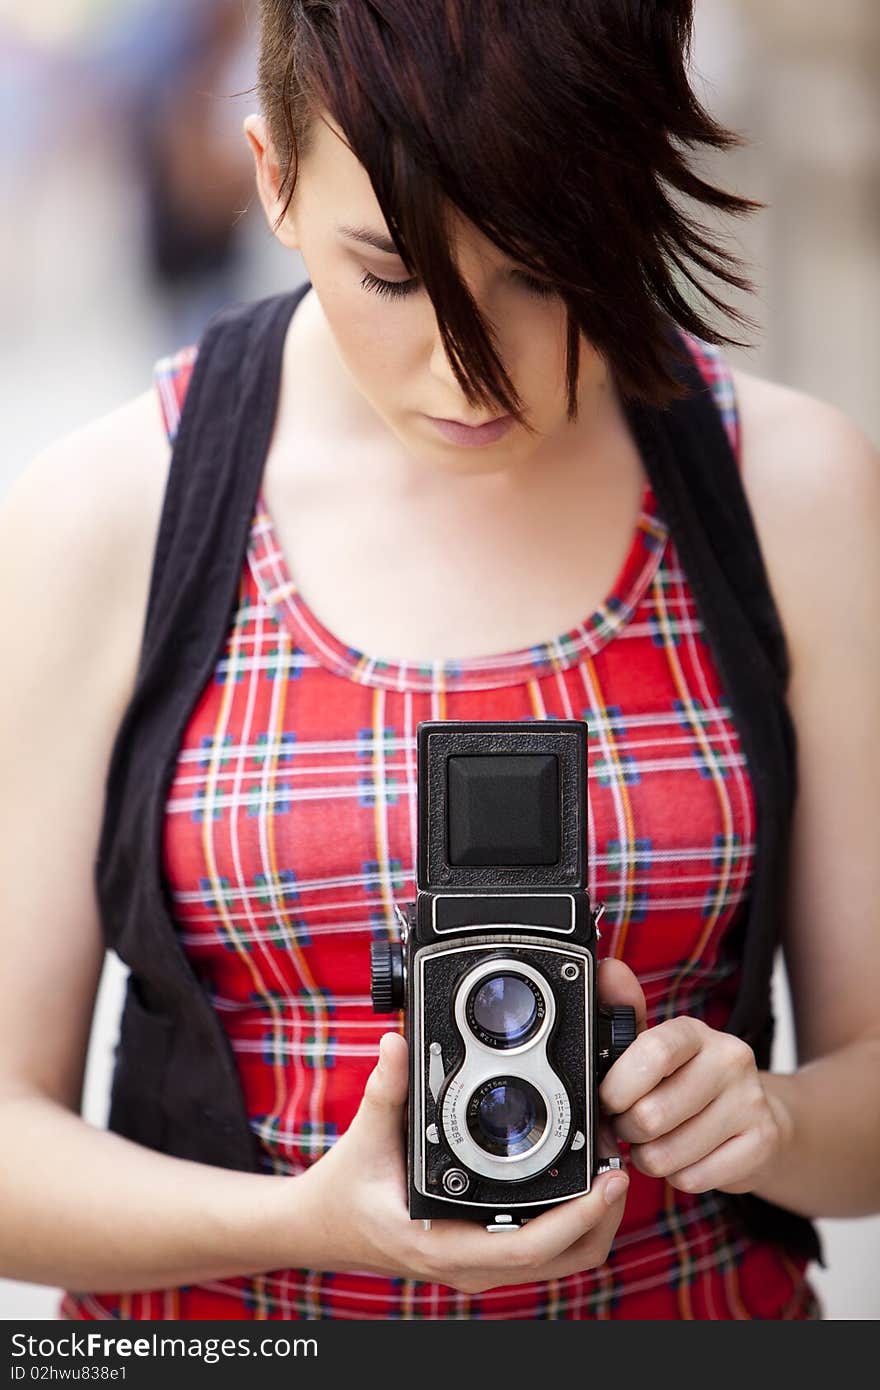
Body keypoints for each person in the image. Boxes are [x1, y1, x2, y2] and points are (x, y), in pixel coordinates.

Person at [1, 0, 878, 1322]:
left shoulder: (791, 489)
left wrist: (766, 1115)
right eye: (395, 277)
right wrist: (307, 1220)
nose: (474, 373)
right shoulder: (110, 510)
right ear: (272, 182)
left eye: (545, 267)